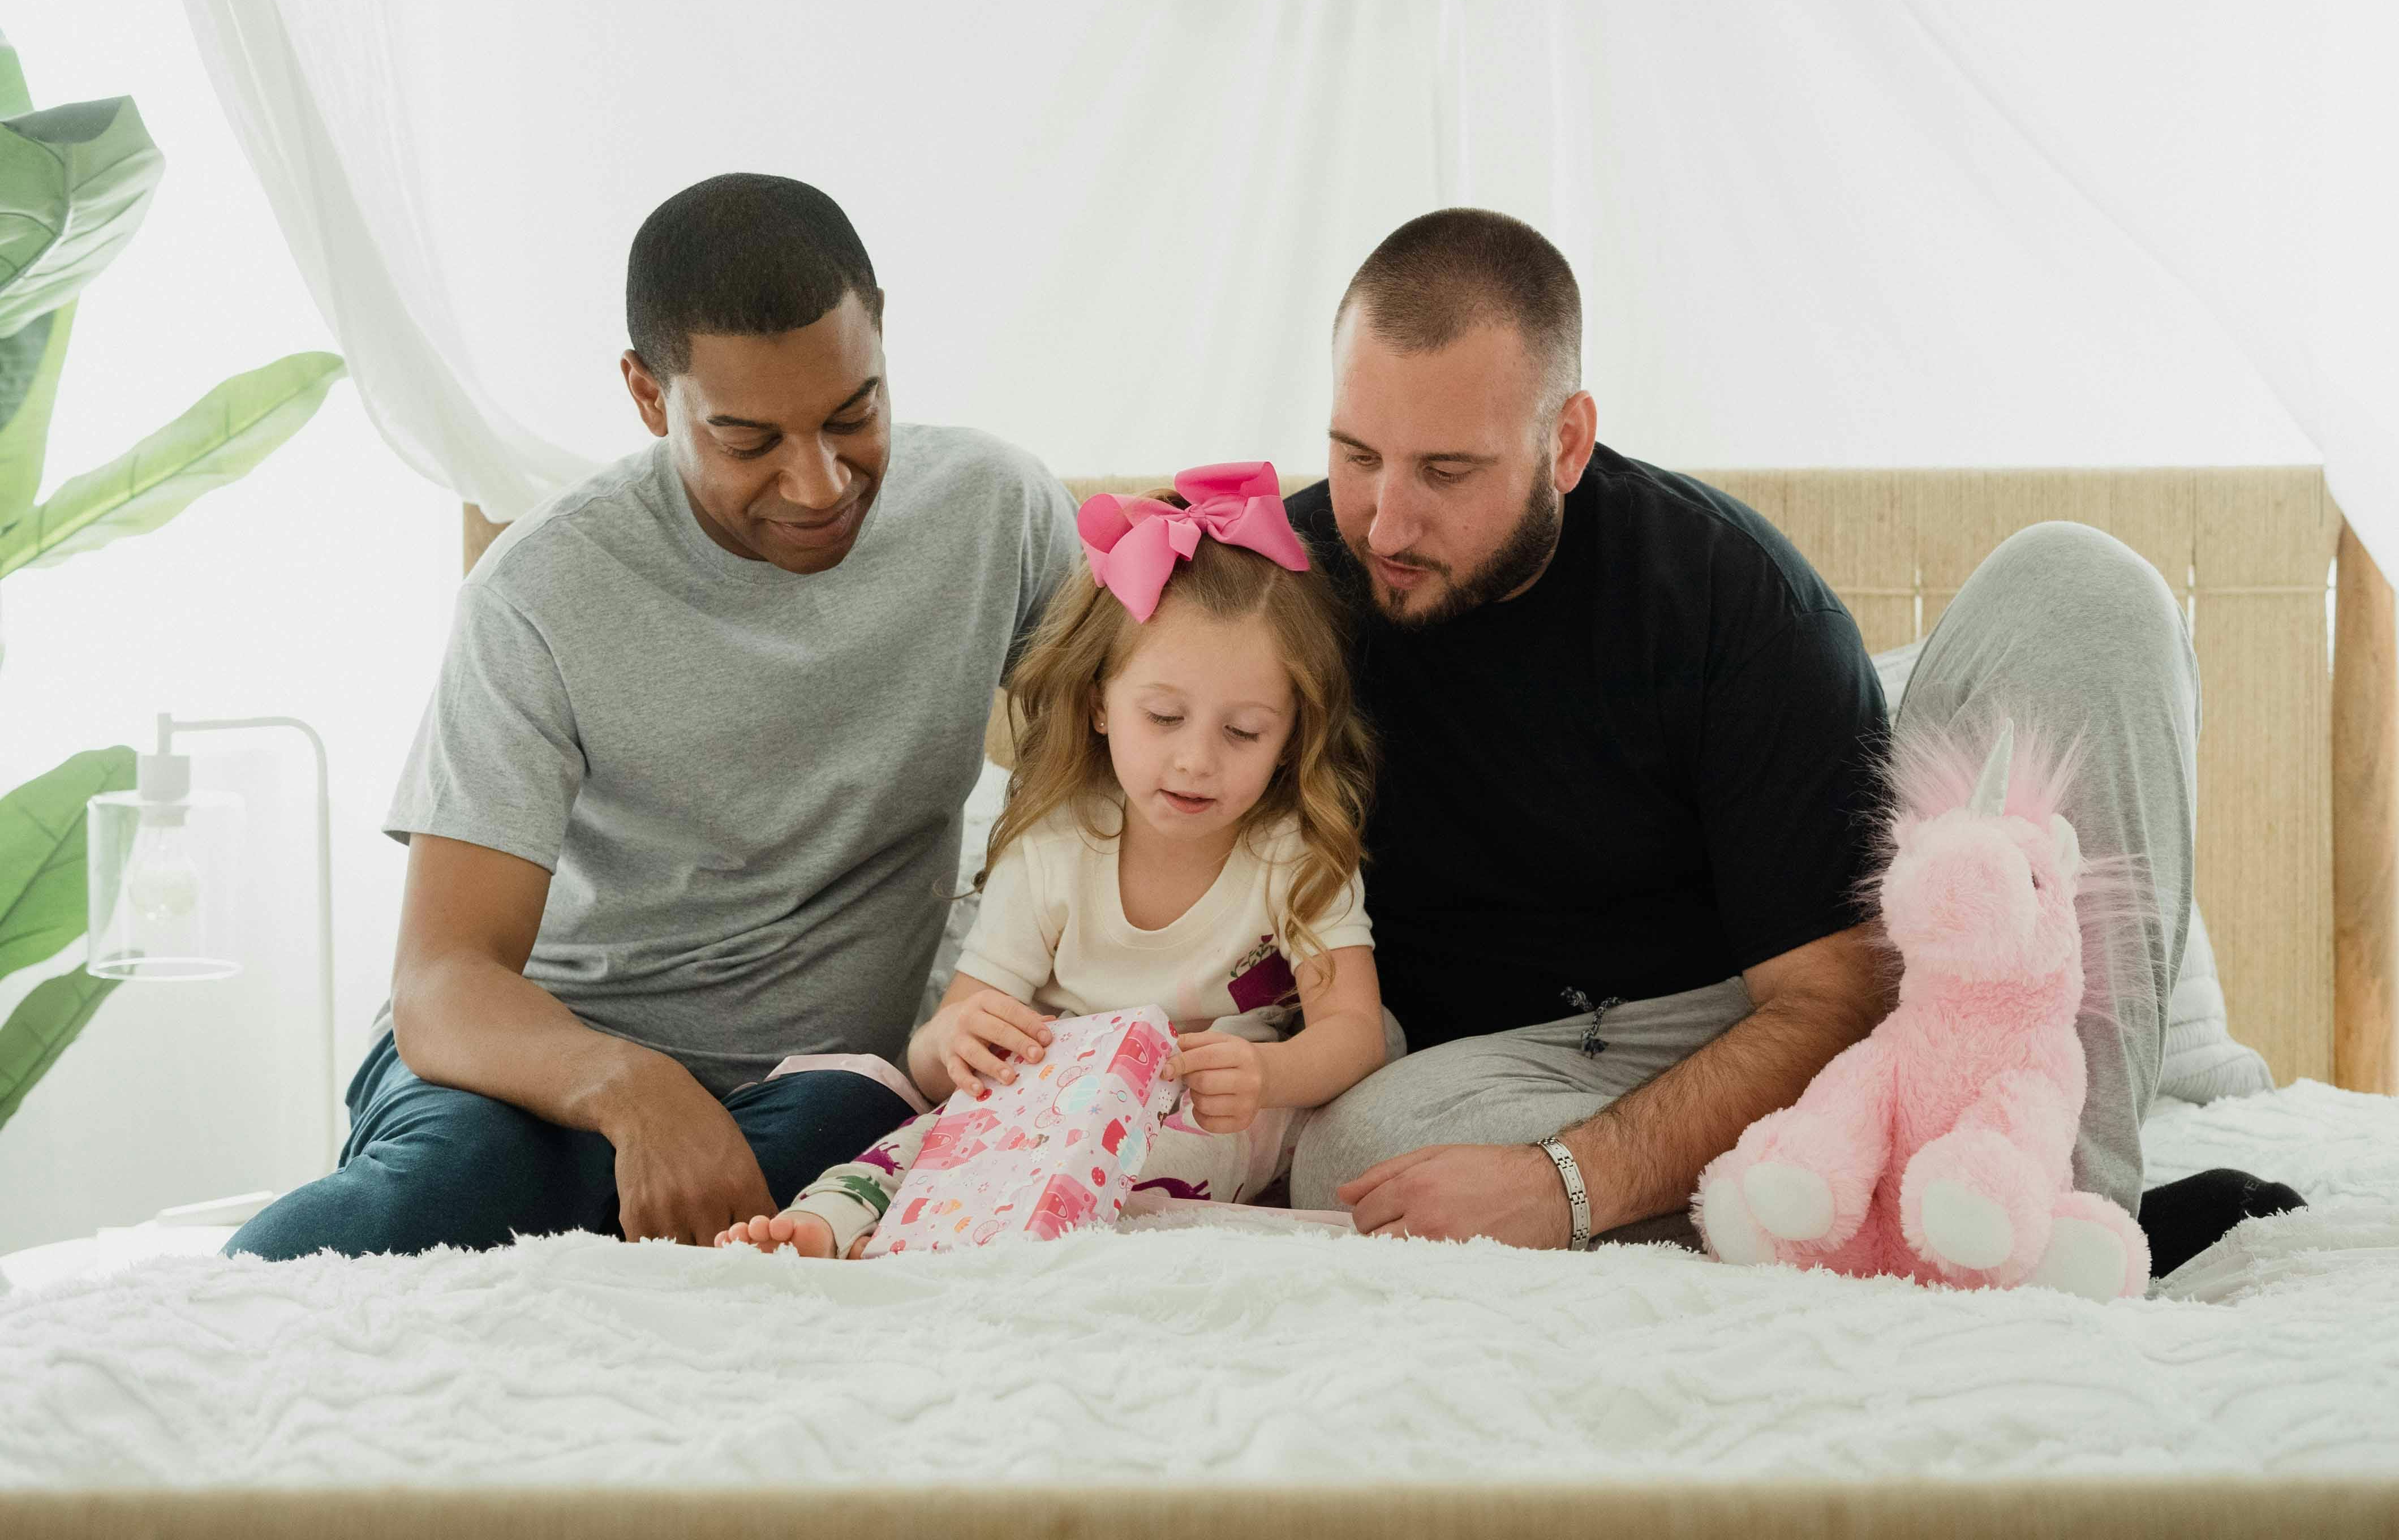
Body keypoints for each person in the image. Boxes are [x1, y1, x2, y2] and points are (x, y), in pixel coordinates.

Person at [1283, 207, 2298, 1273]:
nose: (1386, 524)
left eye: (1446, 474)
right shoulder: (1281, 579)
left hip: (1800, 1022)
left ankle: (2066, 1219)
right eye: (1357, 455)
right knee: (1360, 1158)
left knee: (2083, 587)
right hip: (1522, 1074)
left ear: (1567, 442)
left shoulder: (1733, 600)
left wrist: (1569, 1184)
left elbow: (1842, 998)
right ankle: (1911, 1228)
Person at [227, 174, 1078, 1260]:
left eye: (852, 414)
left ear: (881, 341)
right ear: (646, 395)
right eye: (748, 440)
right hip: (535, 1069)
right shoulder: (540, 591)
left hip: (818, 1087)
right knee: (446, 1191)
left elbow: (1128, 771)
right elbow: (443, 980)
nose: (817, 483)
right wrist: (633, 1090)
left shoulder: (996, 510)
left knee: (855, 1143)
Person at [717, 463, 1391, 1258]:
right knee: (931, 1138)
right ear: (1102, 701)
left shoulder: (1294, 853)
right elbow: (938, 1053)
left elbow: (1355, 1031)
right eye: (1165, 717)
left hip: (1212, 1104)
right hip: (1055, 1093)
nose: (1196, 761)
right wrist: (957, 1040)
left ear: (1290, 738)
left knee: (1151, 1159)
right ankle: (827, 1223)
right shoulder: (1057, 846)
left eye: (1243, 732)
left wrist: (1267, 1075)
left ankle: (953, 1239)